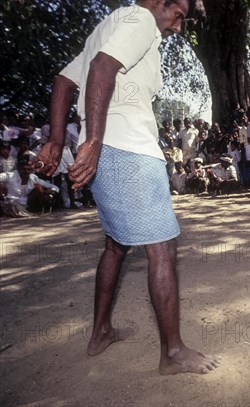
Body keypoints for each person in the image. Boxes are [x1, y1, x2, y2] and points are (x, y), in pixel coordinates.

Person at [36, 0, 219, 375]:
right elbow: (102, 69)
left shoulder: (112, 24)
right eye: (179, 16)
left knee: (116, 245)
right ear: (158, 2)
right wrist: (96, 141)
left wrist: (58, 141)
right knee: (163, 249)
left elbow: (64, 81)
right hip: (128, 149)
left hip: (108, 151)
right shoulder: (140, 20)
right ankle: (172, 353)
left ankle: (101, 331)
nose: (178, 28)